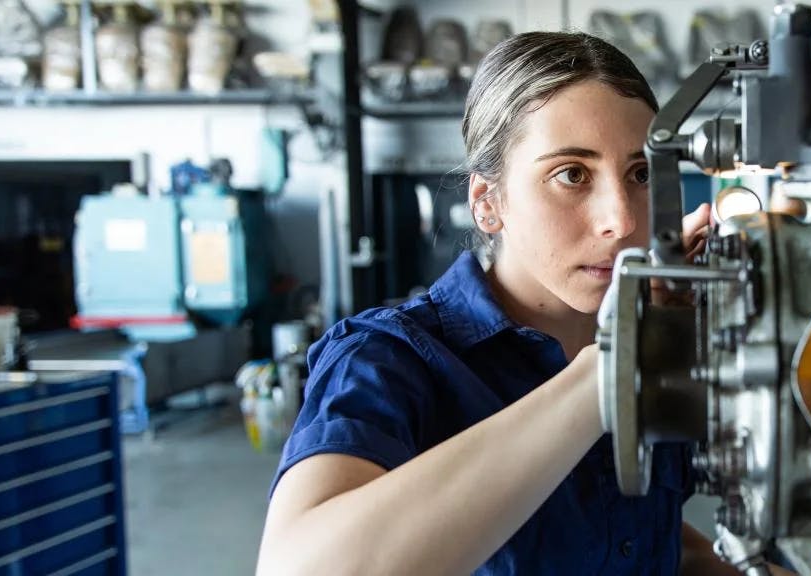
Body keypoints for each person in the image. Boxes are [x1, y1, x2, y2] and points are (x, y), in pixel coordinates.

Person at [256, 31, 757, 575]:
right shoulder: (389, 360)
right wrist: (607, 374)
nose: (623, 220)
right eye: (572, 174)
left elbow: (637, 538)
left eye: (640, 174)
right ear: (488, 203)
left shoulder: (664, 338)